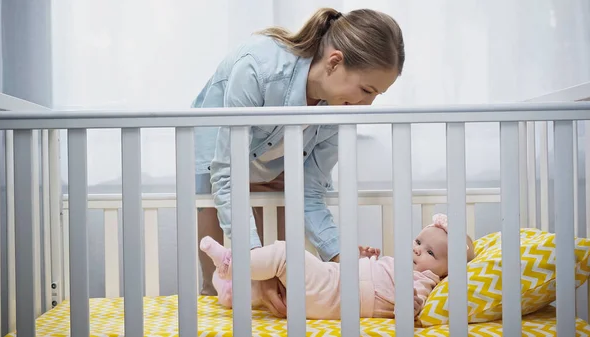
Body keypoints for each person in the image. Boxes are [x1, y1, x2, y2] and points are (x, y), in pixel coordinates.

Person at [191, 6, 406, 317]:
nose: (368, 104)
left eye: (377, 95)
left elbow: (309, 191)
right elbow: (226, 175)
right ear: (335, 62)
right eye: (366, 90)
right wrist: (256, 268)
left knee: (281, 271)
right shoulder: (258, 68)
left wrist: (341, 257)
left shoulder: (337, 108)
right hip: (218, 160)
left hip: (268, 162)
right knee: (223, 280)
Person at [200, 214, 476, 319]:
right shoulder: (399, 266)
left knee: (287, 254)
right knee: (275, 286)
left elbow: (411, 305)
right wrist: (361, 259)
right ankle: (231, 292)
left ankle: (231, 264)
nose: (417, 249)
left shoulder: (424, 280)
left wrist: (410, 304)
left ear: (446, 271)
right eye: (418, 241)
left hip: (335, 293)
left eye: (429, 252)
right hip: (334, 288)